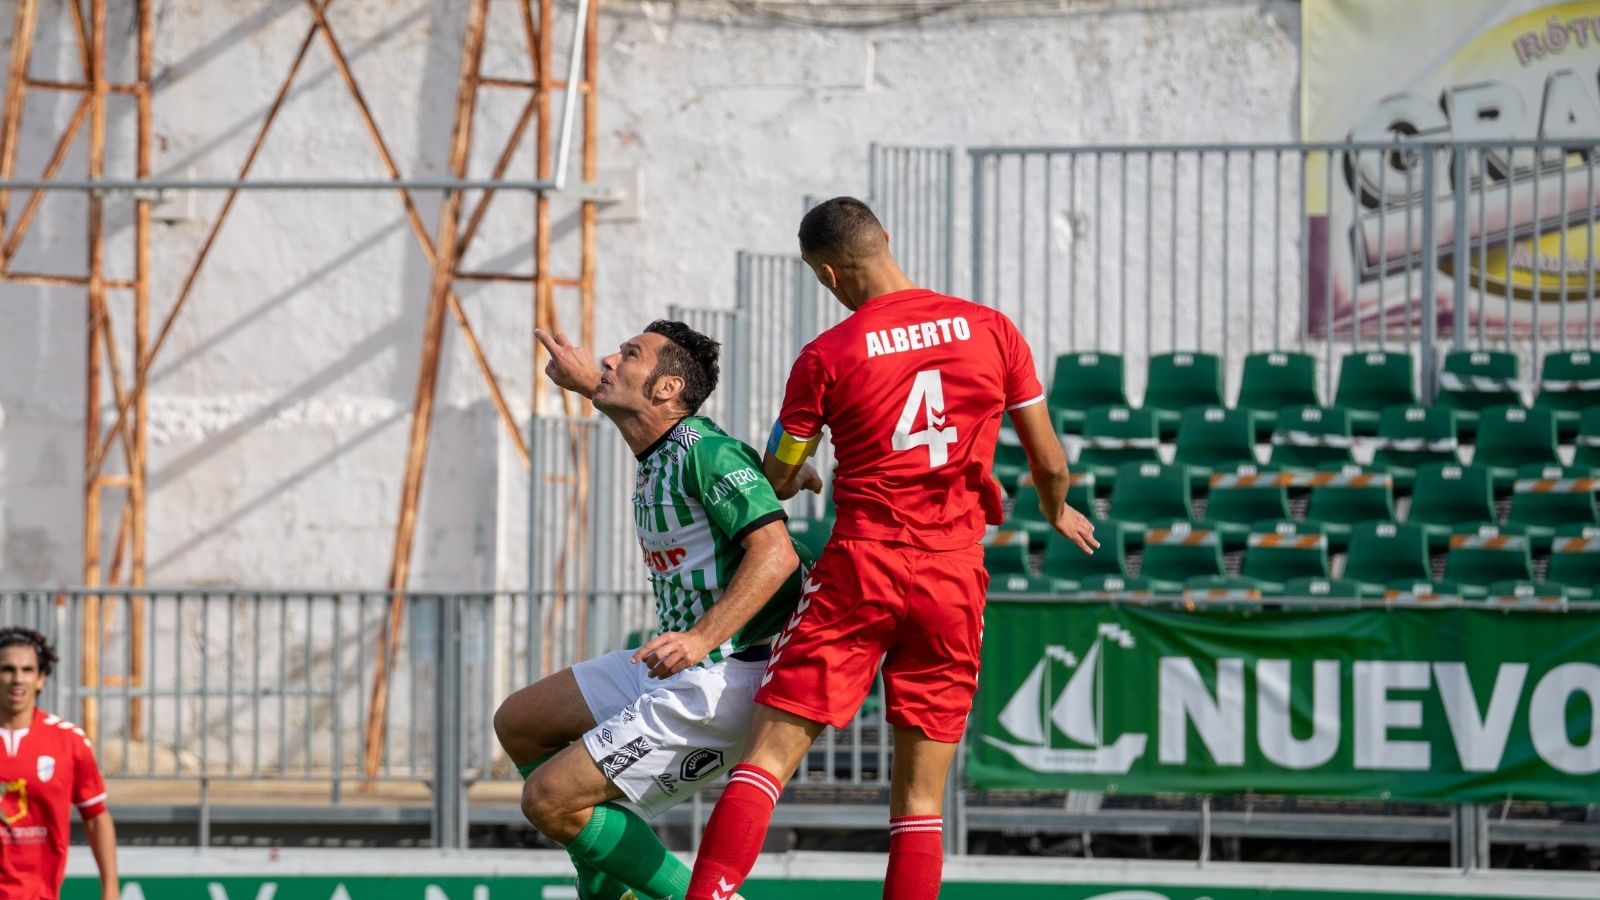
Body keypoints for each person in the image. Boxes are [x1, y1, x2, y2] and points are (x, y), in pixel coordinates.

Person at [688, 197, 1098, 900]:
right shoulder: (992, 329)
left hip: (862, 567)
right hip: (952, 578)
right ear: (886, 240)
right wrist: (1057, 510)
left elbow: (779, 473)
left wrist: (796, 475)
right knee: (918, 803)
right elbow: (1051, 464)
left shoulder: (828, 355)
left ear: (828, 273)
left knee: (768, 759)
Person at [495, 320, 819, 900]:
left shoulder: (706, 451)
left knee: (549, 799)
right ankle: (612, 890)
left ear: (669, 388)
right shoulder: (662, 449)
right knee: (521, 722)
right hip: (679, 662)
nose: (611, 359)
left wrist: (699, 637)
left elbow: (775, 557)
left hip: (728, 674)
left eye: (630, 354)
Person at [0, 627, 119, 900]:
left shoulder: (68, 741)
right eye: (7, 669)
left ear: (41, 678)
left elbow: (97, 816)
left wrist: (111, 891)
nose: (18, 679)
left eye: (27, 670)